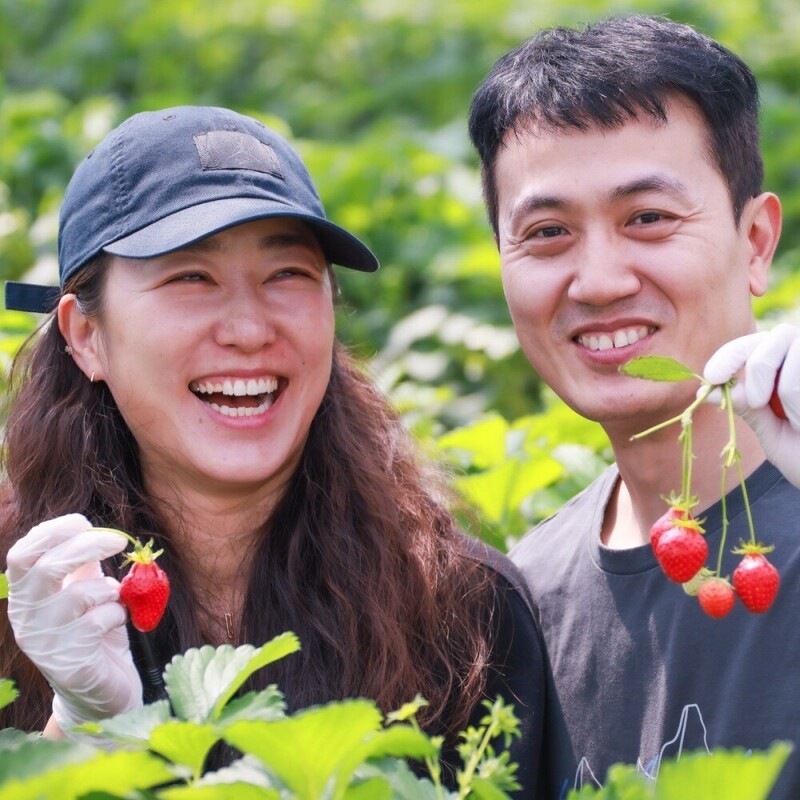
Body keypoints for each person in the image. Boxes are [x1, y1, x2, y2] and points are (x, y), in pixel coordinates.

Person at [0, 105, 545, 793]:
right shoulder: (21, 598)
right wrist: (78, 729)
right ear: (85, 336)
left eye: (287, 274)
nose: (250, 328)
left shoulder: (463, 611)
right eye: (189, 278)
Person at [467, 14, 800, 800]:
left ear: (755, 242)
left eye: (647, 218)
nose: (600, 279)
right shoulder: (525, 599)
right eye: (547, 233)